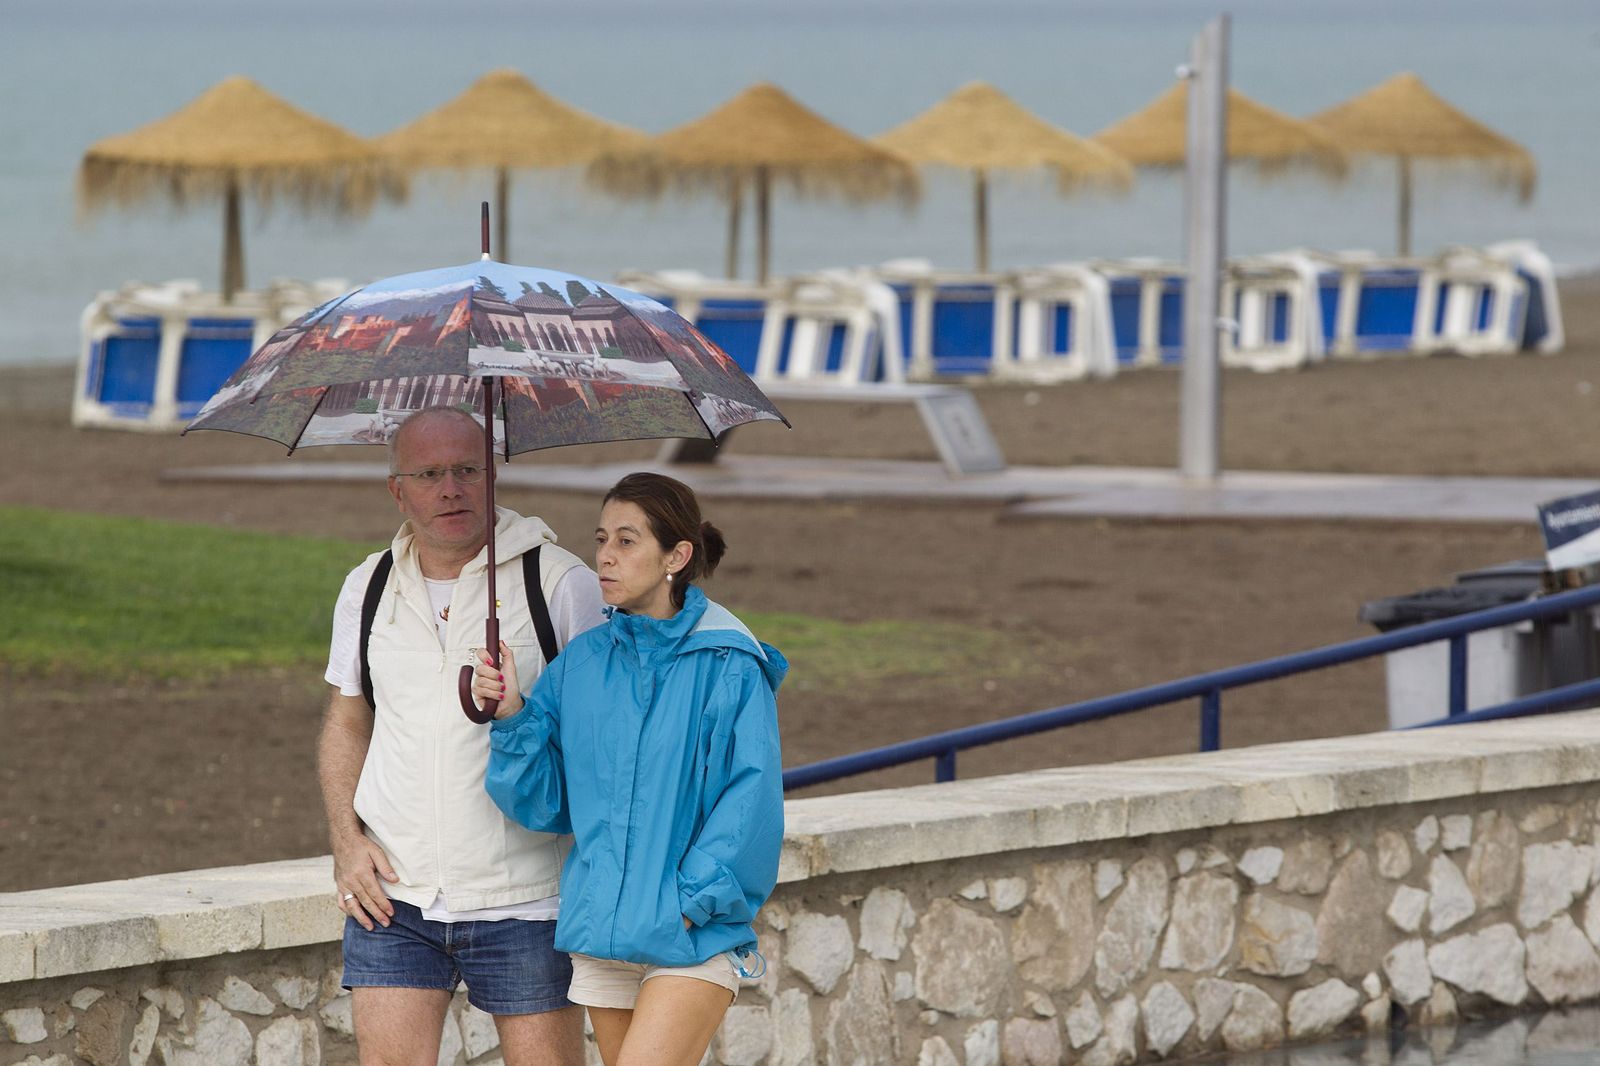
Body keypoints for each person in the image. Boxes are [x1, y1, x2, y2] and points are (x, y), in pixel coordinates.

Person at [318, 405, 605, 1066]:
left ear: (492, 476)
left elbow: (603, 737)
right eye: (429, 474)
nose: (451, 488)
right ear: (398, 489)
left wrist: (521, 708)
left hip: (528, 896)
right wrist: (345, 843)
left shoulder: (558, 584)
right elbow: (346, 719)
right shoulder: (367, 587)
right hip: (395, 898)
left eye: (467, 470)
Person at [472, 472, 786, 1066]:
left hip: (690, 931)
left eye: (626, 541)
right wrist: (513, 717)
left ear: (678, 555)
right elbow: (544, 806)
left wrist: (687, 902)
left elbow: (751, 803)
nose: (605, 559)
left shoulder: (731, 663)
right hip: (603, 934)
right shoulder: (580, 665)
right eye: (600, 540)